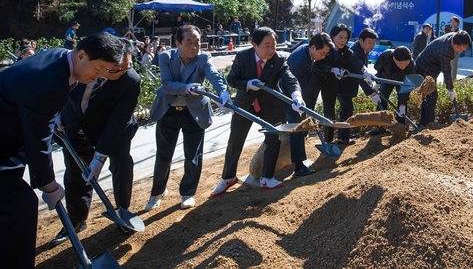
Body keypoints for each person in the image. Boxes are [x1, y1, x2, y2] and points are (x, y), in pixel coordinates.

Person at [0, 32, 124, 268]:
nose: (98, 77)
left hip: (9, 139)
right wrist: (49, 185)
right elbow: (39, 141)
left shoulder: (59, 57)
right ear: (81, 55)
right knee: (20, 206)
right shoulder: (51, 84)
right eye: (97, 69)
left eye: (103, 72)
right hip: (5, 144)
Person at [49, 40, 141, 246]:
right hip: (75, 127)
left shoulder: (130, 80)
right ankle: (76, 220)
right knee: (75, 174)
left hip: (114, 131)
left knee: (121, 163)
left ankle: (122, 212)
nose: (122, 72)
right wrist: (58, 113)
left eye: (127, 66)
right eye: (116, 68)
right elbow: (62, 91)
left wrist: (100, 157)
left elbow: (118, 120)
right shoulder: (81, 67)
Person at [145, 25, 230, 211]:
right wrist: (186, 88)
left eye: (197, 42)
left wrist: (223, 92)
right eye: (189, 42)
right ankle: (157, 192)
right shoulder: (166, 57)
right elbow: (167, 85)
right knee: (163, 156)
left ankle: (187, 192)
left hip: (194, 112)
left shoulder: (203, 58)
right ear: (178, 43)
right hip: (168, 111)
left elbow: (215, 77)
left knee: (193, 155)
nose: (194, 46)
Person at [211, 27, 303, 196]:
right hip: (245, 104)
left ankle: (267, 178)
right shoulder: (243, 57)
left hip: (270, 105)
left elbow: (290, 79)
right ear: (255, 45)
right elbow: (232, 79)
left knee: (273, 139)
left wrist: (296, 95)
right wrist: (247, 84)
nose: (271, 50)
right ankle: (228, 177)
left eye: (273, 45)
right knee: (235, 141)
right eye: (266, 46)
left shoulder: (279, 59)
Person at [281, 32, 334, 177]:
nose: (323, 57)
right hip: (287, 94)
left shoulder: (307, 49)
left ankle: (290, 160)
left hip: (293, 92)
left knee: (297, 125)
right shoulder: (301, 62)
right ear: (313, 47)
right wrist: (309, 109)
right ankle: (299, 166)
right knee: (297, 126)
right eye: (322, 53)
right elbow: (301, 88)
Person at [415, 30, 471, 126]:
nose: (459, 51)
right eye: (458, 48)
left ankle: (425, 123)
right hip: (425, 66)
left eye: (463, 49)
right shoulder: (445, 51)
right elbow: (446, 71)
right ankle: (427, 125)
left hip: (434, 66)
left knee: (429, 97)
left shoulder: (456, 37)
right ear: (453, 42)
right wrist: (451, 89)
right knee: (431, 95)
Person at [338, 28, 381, 144]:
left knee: (346, 109)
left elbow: (362, 74)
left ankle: (345, 133)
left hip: (349, 85)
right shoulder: (355, 51)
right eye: (369, 43)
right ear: (361, 40)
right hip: (342, 85)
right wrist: (372, 93)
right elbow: (360, 75)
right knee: (347, 109)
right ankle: (343, 138)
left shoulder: (362, 49)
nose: (372, 46)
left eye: (374, 43)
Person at [370, 46, 416, 133]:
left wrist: (402, 105)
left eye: (406, 63)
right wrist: (378, 83)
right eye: (401, 63)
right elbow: (379, 70)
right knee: (382, 100)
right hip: (387, 79)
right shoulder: (385, 56)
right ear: (394, 59)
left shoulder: (411, 66)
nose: (403, 65)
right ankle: (380, 126)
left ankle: (399, 128)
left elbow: (407, 87)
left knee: (402, 105)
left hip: (402, 82)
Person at [448, 16, 461, 82]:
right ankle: (446, 81)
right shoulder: (448, 30)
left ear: (458, 23)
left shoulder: (459, 32)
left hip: (455, 51)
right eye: (451, 22)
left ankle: (453, 81)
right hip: (447, 51)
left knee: (453, 67)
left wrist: (453, 33)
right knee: (447, 67)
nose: (452, 23)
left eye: (454, 22)